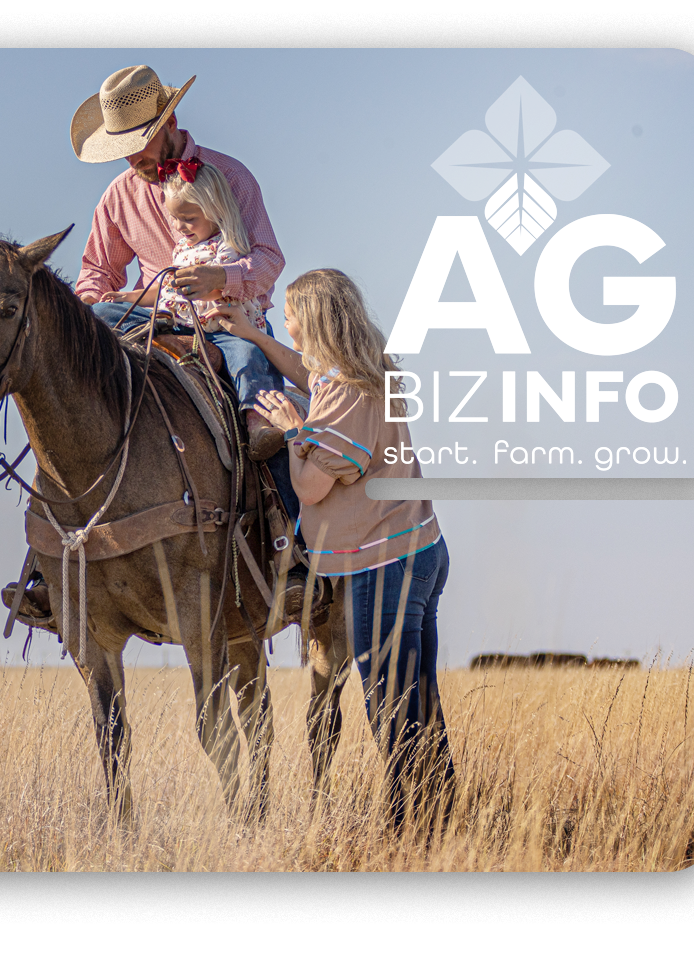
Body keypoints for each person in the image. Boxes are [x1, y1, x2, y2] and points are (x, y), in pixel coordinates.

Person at [210, 268, 456, 830]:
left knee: (389, 706)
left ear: (315, 320)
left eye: (291, 316)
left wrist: (297, 431)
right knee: (418, 696)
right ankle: (439, 815)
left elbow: (313, 485)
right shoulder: (365, 376)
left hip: (383, 562)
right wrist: (255, 337)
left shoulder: (343, 396)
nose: (287, 324)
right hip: (420, 549)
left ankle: (407, 828)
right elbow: (310, 373)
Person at [69, 64, 289, 461]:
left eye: (142, 142)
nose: (133, 159)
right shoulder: (117, 197)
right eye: (124, 150)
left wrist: (222, 277)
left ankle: (284, 518)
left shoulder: (232, 177)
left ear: (169, 122)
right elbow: (97, 273)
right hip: (157, 313)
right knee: (91, 320)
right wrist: (93, 302)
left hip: (228, 319)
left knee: (271, 415)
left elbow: (269, 258)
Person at [101, 157, 285, 459]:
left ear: (214, 212)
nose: (179, 226)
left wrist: (213, 282)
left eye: (188, 219)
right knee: (102, 315)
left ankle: (257, 422)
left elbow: (224, 289)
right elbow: (167, 286)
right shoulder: (183, 249)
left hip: (221, 328)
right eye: (175, 219)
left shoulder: (227, 246)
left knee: (248, 355)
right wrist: (128, 297)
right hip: (180, 322)